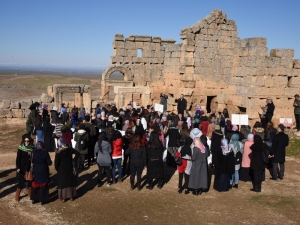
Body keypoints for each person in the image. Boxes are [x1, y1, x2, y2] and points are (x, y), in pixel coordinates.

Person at [55, 138, 80, 202]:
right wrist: (74, 160)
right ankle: (71, 196)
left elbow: (56, 162)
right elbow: (78, 153)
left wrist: (57, 168)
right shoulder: (69, 149)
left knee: (62, 183)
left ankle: (63, 197)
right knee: (70, 181)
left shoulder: (58, 151)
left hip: (61, 169)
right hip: (69, 167)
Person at [15, 134, 34, 201]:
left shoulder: (32, 147)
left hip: (30, 167)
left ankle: (30, 194)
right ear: (23, 141)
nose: (26, 142)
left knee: (29, 181)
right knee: (21, 182)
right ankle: (17, 195)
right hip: (22, 168)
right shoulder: (21, 148)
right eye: (25, 141)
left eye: (28, 141)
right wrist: (18, 167)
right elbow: (18, 159)